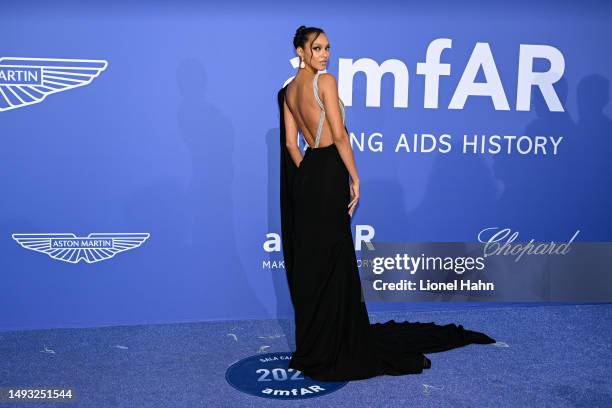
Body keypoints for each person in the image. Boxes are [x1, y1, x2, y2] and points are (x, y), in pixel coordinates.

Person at [277, 25, 496, 382]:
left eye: (328, 48)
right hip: (331, 169)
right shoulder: (325, 82)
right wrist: (354, 177)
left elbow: (291, 145)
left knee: (317, 267)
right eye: (317, 49)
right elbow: (340, 135)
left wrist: (308, 175)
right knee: (337, 264)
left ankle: (316, 345)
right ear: (301, 52)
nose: (325, 54)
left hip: (308, 178)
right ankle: (340, 344)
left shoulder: (286, 92)